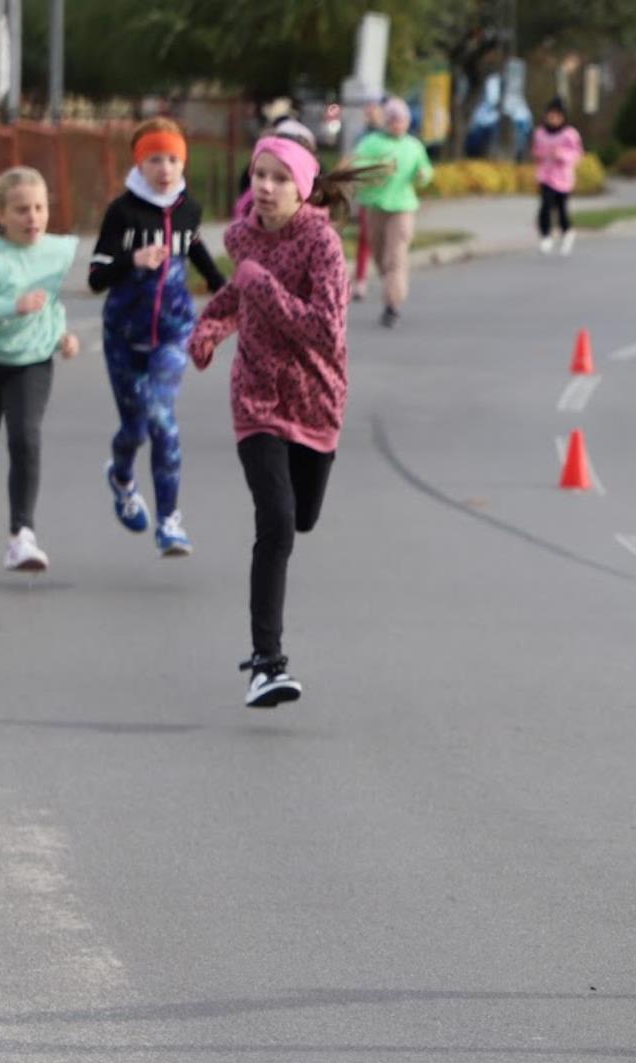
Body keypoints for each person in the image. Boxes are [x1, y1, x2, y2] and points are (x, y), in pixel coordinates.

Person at [188, 137, 360, 708]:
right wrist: (209, 329)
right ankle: (267, 663)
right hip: (257, 399)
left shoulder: (322, 245)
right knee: (278, 524)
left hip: (316, 400)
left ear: (303, 188)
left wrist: (261, 284)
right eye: (259, 175)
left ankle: (267, 661)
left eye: (279, 178)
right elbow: (237, 296)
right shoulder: (242, 239)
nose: (265, 187)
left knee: (303, 516)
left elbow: (325, 331)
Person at [88, 118, 225, 557]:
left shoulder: (188, 209)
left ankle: (169, 521)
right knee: (134, 428)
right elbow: (95, 277)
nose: (164, 168)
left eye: (172, 159)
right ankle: (121, 477)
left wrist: (224, 289)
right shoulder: (122, 212)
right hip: (124, 335)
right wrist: (134, 260)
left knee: (161, 417)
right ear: (139, 164)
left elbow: (195, 246)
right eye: (154, 160)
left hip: (173, 331)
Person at [0, 167, 81, 572]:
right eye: (22, 210)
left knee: (25, 438)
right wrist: (11, 306)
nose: (33, 217)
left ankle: (21, 536)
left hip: (32, 362)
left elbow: (51, 302)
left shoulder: (57, 251)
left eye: (40, 208)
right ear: (2, 215)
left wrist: (61, 335)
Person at [350, 98, 434, 328]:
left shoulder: (413, 146)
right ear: (386, 121)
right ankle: (391, 287)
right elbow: (356, 167)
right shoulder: (371, 143)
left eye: (401, 119)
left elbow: (425, 170)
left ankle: (392, 304)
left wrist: (423, 175)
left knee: (395, 256)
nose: (397, 124)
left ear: (407, 121)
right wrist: (378, 169)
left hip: (403, 208)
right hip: (375, 206)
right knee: (379, 255)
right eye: (393, 119)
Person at [530, 97, 583, 255]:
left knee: (560, 209)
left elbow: (577, 154)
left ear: (562, 118)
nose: (553, 119)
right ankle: (545, 236)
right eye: (551, 116)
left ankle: (567, 231)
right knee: (545, 205)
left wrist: (561, 155)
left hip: (563, 178)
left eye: (557, 116)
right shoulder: (540, 133)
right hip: (546, 176)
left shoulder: (569, 134)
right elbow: (536, 151)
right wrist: (539, 155)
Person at [349, 100, 384, 301]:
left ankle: (389, 275)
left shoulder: (390, 137)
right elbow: (356, 162)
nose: (371, 115)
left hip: (390, 198)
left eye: (375, 111)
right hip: (369, 196)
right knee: (365, 238)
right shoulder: (362, 137)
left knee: (386, 240)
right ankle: (361, 280)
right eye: (368, 112)